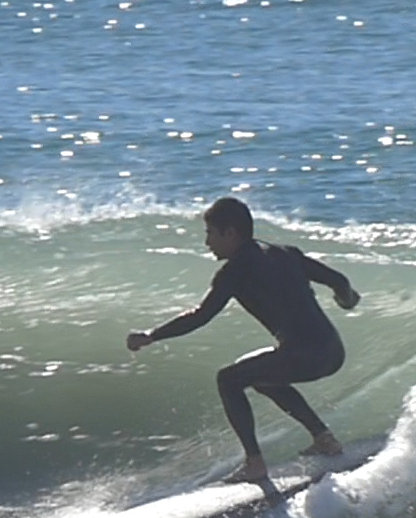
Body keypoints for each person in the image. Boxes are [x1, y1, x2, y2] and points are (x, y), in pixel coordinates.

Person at [126, 197, 360, 483]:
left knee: (228, 379)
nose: (207, 243)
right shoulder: (284, 252)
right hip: (333, 351)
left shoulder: (234, 271)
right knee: (259, 375)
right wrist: (346, 301)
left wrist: (152, 335)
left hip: (303, 356)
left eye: (210, 233)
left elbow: (201, 316)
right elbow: (339, 280)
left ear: (230, 233)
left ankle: (255, 463)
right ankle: (324, 438)